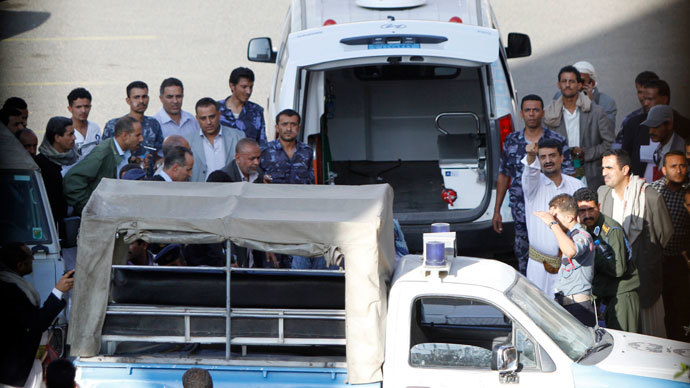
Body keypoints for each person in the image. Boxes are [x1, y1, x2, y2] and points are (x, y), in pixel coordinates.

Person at [598, 149, 673, 338]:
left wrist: (644, 255)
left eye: (609, 167)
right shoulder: (603, 194)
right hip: (615, 284)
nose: (603, 172)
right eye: (602, 168)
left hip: (644, 280)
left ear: (625, 170)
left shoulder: (649, 196)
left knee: (651, 338)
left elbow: (664, 234)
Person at [494, 94, 571, 275]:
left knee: (554, 259)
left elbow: (568, 175)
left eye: (536, 110)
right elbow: (504, 175)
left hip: (551, 215)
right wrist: (497, 210)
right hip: (522, 215)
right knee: (524, 261)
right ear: (521, 113)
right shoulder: (512, 141)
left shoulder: (556, 140)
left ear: (542, 113)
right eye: (528, 110)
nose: (532, 114)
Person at [0, 243, 75, 387]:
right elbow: (36, 323)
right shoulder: (9, 290)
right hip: (13, 370)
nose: (33, 260)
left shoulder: (13, 285)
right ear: (20, 265)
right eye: (30, 257)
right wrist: (58, 291)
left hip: (23, 364)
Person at [521, 138, 584, 295]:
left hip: (570, 266)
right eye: (543, 157)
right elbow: (530, 172)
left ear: (562, 158)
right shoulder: (532, 185)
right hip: (538, 267)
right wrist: (530, 155)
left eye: (552, 155)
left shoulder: (577, 186)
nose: (548, 160)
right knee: (538, 314)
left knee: (569, 314)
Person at [574, 187, 639, 332]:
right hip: (607, 297)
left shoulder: (611, 230)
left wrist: (593, 256)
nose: (587, 215)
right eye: (582, 211)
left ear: (599, 206)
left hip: (622, 296)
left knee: (626, 345)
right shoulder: (586, 229)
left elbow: (618, 269)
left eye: (591, 209)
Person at [544, 65, 614, 190]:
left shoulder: (596, 112)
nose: (567, 85)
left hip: (591, 174)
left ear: (579, 85)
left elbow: (609, 143)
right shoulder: (550, 114)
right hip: (561, 175)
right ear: (558, 85)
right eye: (564, 81)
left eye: (572, 81)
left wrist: (585, 153)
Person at [534, 194, 596, 326]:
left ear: (570, 217)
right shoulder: (568, 236)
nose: (553, 219)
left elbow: (571, 251)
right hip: (567, 304)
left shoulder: (582, 235)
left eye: (555, 216)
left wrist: (552, 224)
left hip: (579, 306)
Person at [64, 116, 143, 216]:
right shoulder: (102, 153)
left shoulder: (125, 152)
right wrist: (91, 208)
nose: (141, 139)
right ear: (124, 136)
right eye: (138, 135)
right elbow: (71, 181)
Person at [650, 151, 690, 341]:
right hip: (658, 259)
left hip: (682, 260)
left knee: (680, 308)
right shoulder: (654, 190)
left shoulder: (688, 191)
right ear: (664, 169)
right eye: (673, 166)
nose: (679, 170)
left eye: (682, 165)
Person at [102, 81, 164, 177]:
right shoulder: (113, 125)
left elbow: (158, 152)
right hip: (120, 180)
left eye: (144, 97)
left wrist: (158, 161)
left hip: (148, 181)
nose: (141, 101)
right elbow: (105, 156)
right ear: (128, 100)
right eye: (136, 97)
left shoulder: (153, 124)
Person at [36, 117, 78, 238]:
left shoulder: (76, 157)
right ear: (57, 138)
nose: (74, 138)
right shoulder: (41, 164)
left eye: (73, 133)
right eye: (70, 134)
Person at [621, 78, 670, 178]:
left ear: (664, 99)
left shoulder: (680, 126)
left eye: (650, 99)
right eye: (644, 99)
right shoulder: (634, 124)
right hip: (641, 186)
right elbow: (625, 155)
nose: (645, 103)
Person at [190, 98, 245, 182]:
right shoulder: (188, 141)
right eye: (203, 118)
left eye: (212, 117)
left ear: (219, 114)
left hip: (231, 190)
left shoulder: (238, 137)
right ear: (197, 118)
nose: (208, 122)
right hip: (200, 191)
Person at [554, 61, 617, 128]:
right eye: (573, 81)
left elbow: (608, 130)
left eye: (581, 81)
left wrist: (592, 104)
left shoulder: (607, 102)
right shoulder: (559, 96)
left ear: (592, 83)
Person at [261, 109, 314, 185]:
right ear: (277, 128)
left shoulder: (307, 151)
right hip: (274, 195)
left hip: (301, 195)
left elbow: (312, 180)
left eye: (293, 124)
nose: (289, 129)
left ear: (298, 128)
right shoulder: (265, 151)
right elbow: (256, 178)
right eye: (284, 124)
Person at [218, 67, 266, 148]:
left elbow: (262, 144)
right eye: (244, 87)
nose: (248, 91)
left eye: (251, 87)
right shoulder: (215, 110)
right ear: (232, 86)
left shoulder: (257, 111)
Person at [613, 71, 658, 147]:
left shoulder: (672, 119)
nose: (643, 96)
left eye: (648, 92)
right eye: (640, 92)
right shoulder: (630, 120)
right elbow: (619, 148)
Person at [642, 105, 686, 182]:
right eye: (650, 127)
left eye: (655, 126)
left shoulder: (682, 150)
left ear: (669, 125)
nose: (651, 131)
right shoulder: (662, 146)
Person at [154, 77, 199, 142]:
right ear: (161, 98)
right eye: (170, 97)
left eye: (178, 96)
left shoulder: (191, 120)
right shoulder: (155, 124)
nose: (175, 101)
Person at [68, 87, 101, 158]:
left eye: (86, 106)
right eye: (78, 107)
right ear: (70, 109)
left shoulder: (95, 128)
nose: (83, 110)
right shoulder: (63, 130)